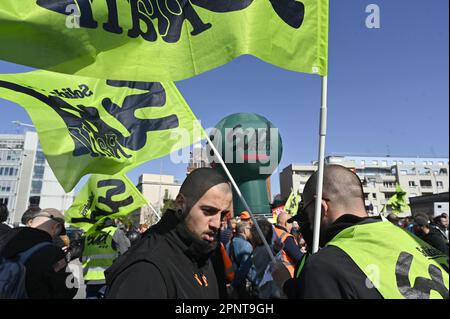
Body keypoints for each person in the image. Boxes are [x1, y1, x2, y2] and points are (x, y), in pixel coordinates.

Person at [278, 164, 449, 299]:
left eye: (307, 212)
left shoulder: (325, 265)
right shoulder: (410, 239)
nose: (306, 222)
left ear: (321, 207)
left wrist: (285, 285)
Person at [105, 168, 233, 298]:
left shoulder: (210, 253)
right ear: (180, 203)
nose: (216, 224)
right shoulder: (146, 269)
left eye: (222, 215)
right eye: (208, 211)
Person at [0, 208, 77, 299]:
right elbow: (68, 289)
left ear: (30, 222)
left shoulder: (5, 239)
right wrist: (68, 258)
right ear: (56, 228)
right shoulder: (52, 252)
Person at [82, 218, 130, 299]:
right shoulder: (115, 231)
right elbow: (125, 253)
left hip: (90, 280)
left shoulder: (88, 233)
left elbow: (81, 257)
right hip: (108, 278)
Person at [227, 221, 257, 298]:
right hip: (243, 285)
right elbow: (245, 269)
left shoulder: (228, 243)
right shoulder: (246, 245)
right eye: (249, 228)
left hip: (231, 281)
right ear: (244, 230)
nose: (251, 231)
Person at [273, 212, 303, 278]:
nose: (292, 226)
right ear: (286, 223)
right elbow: (299, 258)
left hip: (274, 274)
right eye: (291, 223)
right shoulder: (286, 237)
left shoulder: (272, 233)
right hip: (287, 276)